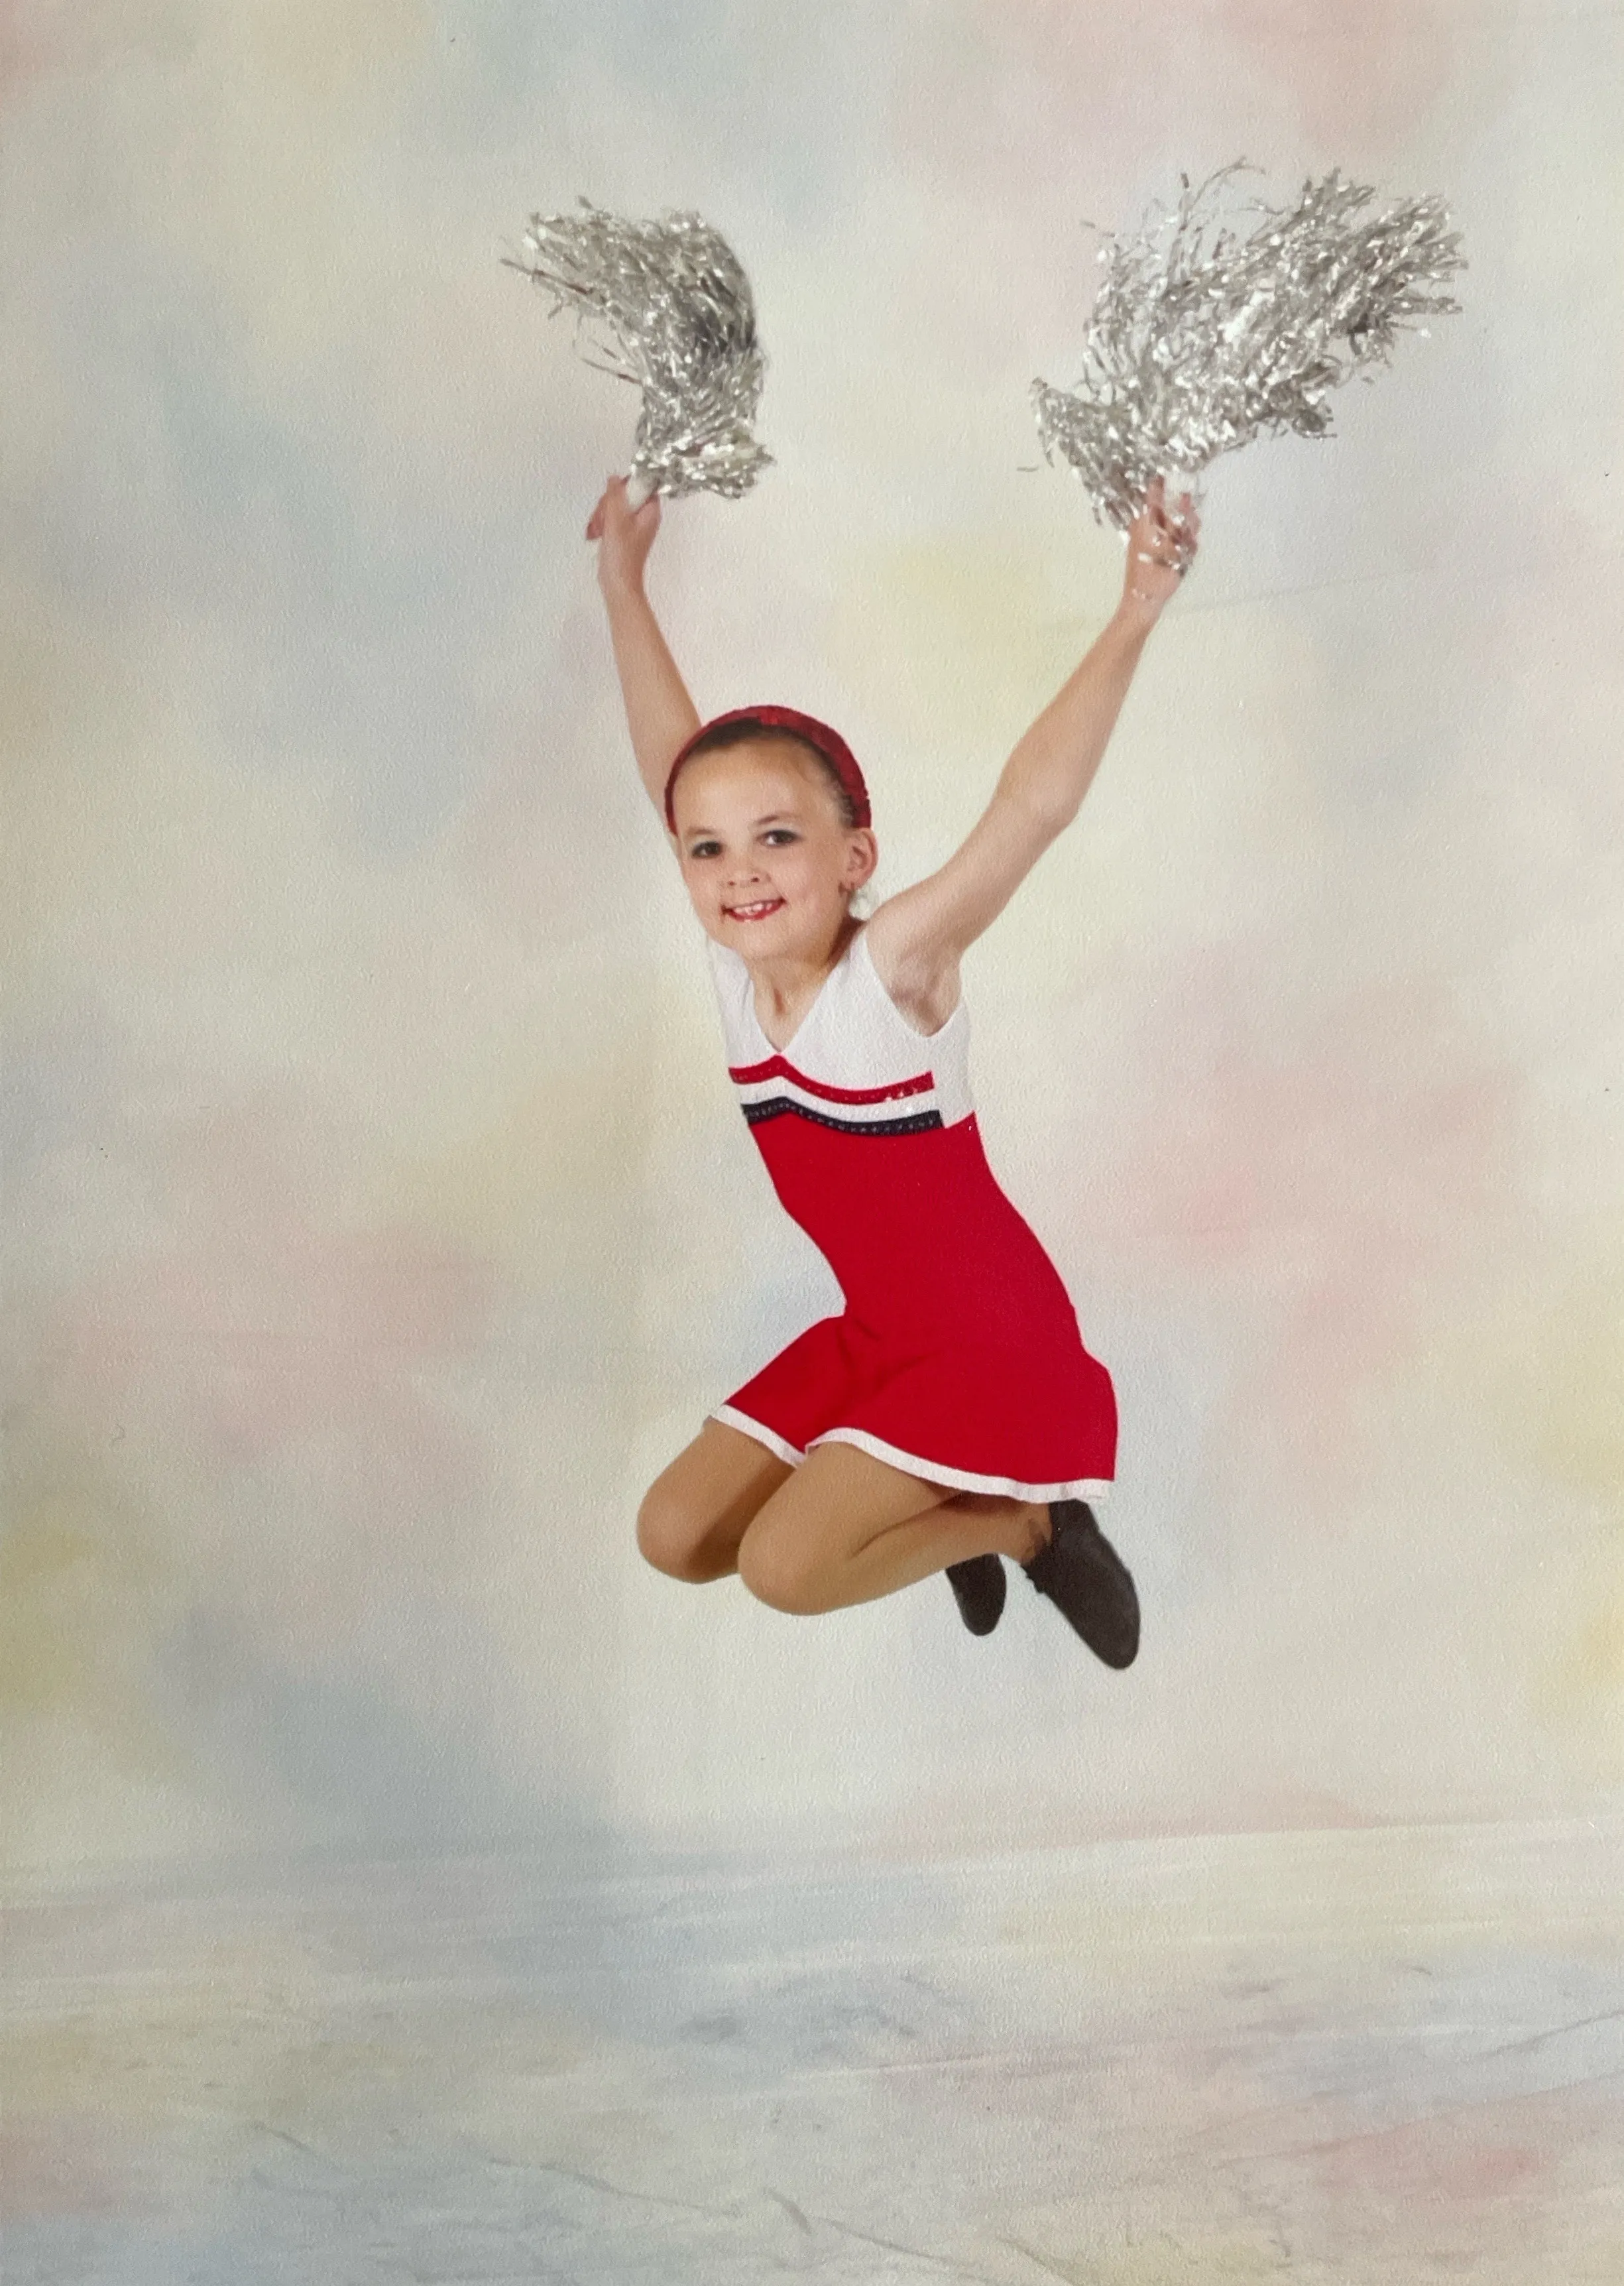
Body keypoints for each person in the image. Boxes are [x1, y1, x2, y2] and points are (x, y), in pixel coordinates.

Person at [586, 472, 1199, 1663]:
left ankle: (1020, 1524)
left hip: (992, 1342)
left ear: (852, 853)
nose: (737, 869)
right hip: (880, 1332)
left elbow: (1030, 807)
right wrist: (623, 578)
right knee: (677, 1535)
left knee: (786, 1568)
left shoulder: (897, 971)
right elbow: (673, 762)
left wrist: (1133, 611)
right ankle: (961, 1514)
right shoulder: (731, 966)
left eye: (777, 838)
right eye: (708, 848)